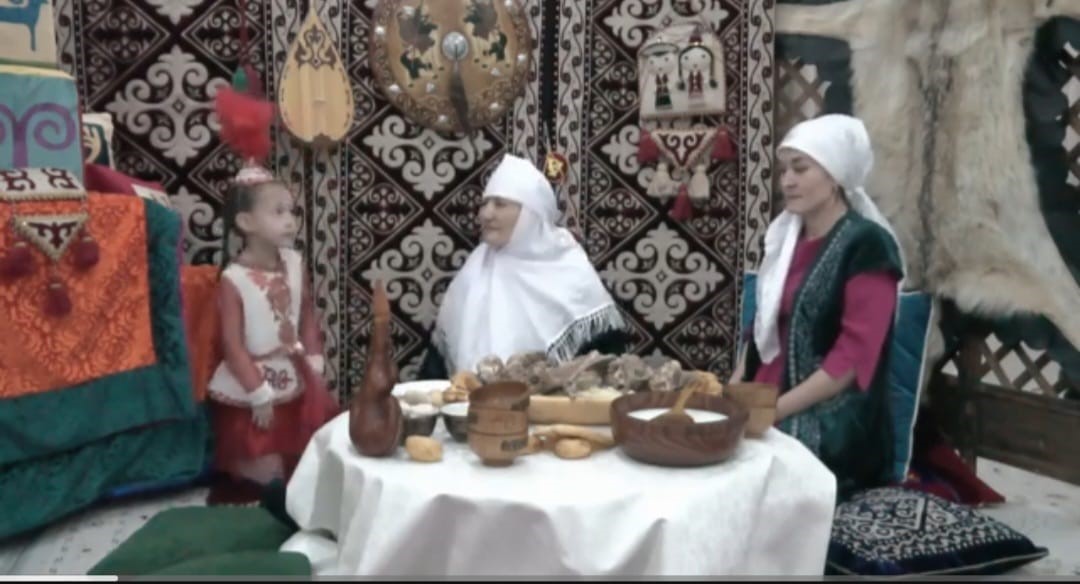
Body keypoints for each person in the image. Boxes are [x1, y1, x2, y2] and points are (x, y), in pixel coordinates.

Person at [730, 114, 905, 499]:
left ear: (835, 175)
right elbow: (760, 329)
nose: (787, 181)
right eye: (784, 171)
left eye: (800, 168)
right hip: (766, 400)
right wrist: (734, 392)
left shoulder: (868, 246)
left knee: (743, 474)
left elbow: (851, 360)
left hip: (832, 417)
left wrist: (773, 412)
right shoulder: (785, 240)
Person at [206, 86, 339, 488]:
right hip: (254, 384)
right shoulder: (234, 279)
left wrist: (314, 357)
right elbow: (231, 344)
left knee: (302, 461)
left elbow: (306, 314)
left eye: (291, 211)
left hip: (294, 375)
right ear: (245, 223)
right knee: (264, 472)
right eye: (278, 212)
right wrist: (256, 390)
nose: (290, 220)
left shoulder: (295, 263)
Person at [418, 154, 629, 379]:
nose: (486, 214)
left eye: (500, 204)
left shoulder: (570, 269)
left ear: (530, 214)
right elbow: (436, 369)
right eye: (484, 204)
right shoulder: (475, 268)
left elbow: (606, 363)